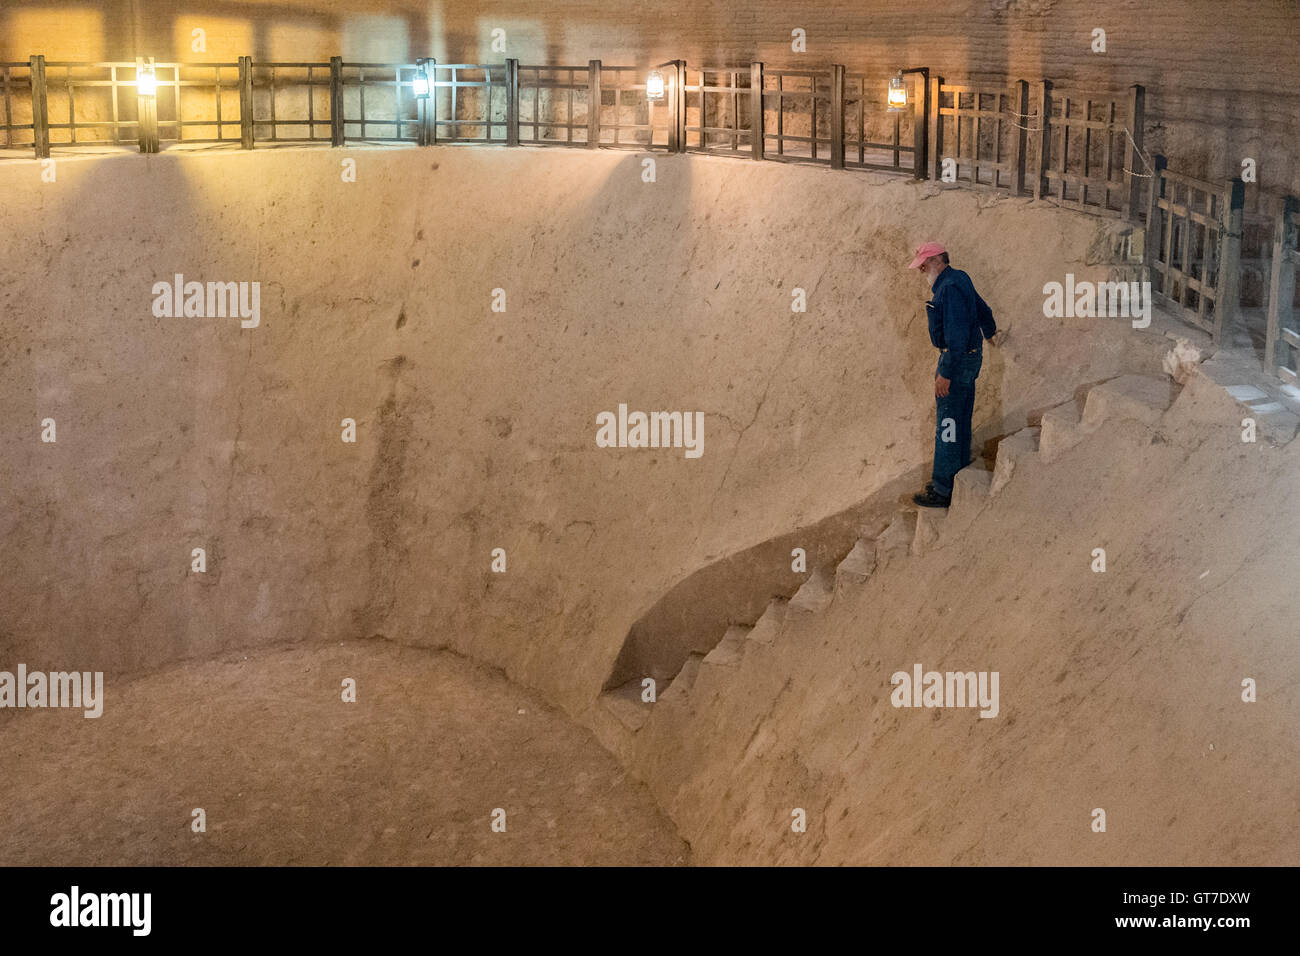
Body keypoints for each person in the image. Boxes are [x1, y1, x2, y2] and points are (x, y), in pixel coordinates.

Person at [907, 241, 999, 508]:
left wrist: (945, 373)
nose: (921, 269)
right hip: (969, 357)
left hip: (956, 361)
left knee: (947, 423)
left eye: (924, 264)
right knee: (960, 415)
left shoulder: (948, 288)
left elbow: (956, 336)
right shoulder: (960, 278)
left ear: (937, 259)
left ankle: (943, 488)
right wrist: (989, 330)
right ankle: (957, 471)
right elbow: (983, 308)